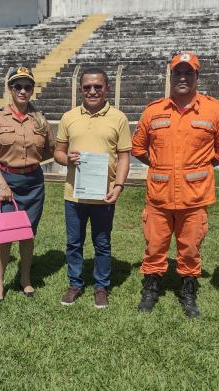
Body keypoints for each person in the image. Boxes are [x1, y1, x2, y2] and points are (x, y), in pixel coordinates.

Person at [132, 52, 219, 316]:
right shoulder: (153, 111)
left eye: (189, 73)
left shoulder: (215, 111)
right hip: (159, 194)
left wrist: (198, 168)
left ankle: (188, 291)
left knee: (190, 248)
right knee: (155, 246)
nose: (183, 78)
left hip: (195, 196)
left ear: (197, 77)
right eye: (178, 72)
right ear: (170, 76)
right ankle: (152, 288)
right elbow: (138, 148)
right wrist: (160, 166)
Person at [54, 67, 131, 309]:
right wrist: (67, 159)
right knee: (74, 243)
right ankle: (75, 283)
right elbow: (57, 152)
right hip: (74, 194)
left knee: (102, 243)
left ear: (107, 87)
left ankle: (100, 286)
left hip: (104, 194)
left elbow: (124, 157)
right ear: (81, 89)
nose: (92, 91)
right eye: (87, 87)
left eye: (98, 86)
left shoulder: (118, 118)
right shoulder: (69, 117)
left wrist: (118, 186)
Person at [0, 67, 54, 305]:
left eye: (27, 86)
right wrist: (2, 182)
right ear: (10, 89)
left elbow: (50, 150)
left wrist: (29, 165)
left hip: (33, 183)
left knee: (28, 233)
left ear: (33, 89)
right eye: (17, 86)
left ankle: (25, 278)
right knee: (4, 236)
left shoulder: (40, 119)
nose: (23, 90)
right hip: (7, 182)